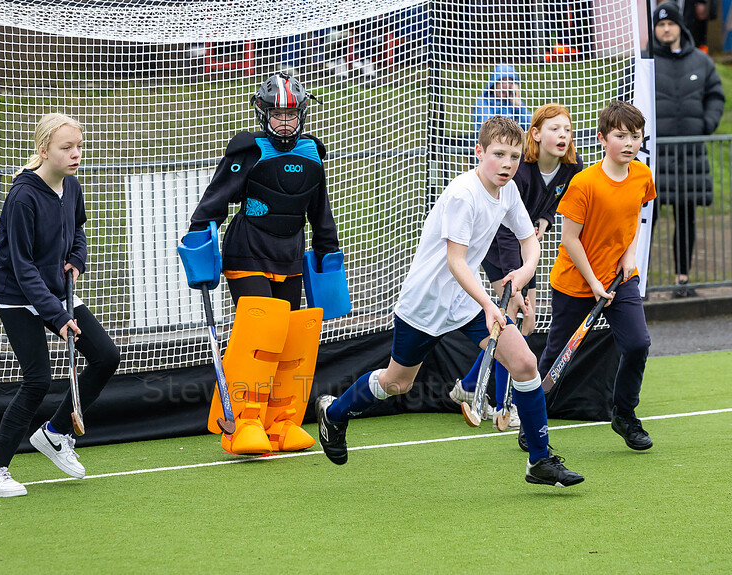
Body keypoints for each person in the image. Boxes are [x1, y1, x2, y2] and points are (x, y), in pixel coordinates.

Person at [315, 115, 584, 487]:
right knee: (398, 384)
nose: (507, 164)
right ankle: (335, 413)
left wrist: (521, 278)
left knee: (524, 363)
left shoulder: (508, 191)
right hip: (426, 302)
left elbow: (529, 241)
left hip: (466, 300)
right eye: (498, 154)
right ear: (479, 152)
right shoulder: (463, 195)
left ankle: (539, 461)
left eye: (515, 156)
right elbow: (456, 261)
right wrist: (492, 304)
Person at [187, 72, 342, 455]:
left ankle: (280, 422)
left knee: (290, 340)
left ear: (302, 115)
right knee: (260, 338)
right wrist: (199, 242)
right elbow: (213, 203)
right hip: (246, 251)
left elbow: (321, 216)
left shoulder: (311, 154)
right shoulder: (248, 152)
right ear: (263, 113)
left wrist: (328, 258)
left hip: (288, 256)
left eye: (291, 115)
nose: (284, 122)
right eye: (277, 115)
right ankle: (243, 423)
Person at [0, 113, 121, 497]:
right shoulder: (22, 197)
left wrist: (78, 259)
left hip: (56, 289)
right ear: (43, 151)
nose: (76, 155)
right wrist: (58, 318)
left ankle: (56, 433)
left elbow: (78, 231)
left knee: (106, 356)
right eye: (66, 148)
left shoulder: (71, 187)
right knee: (37, 380)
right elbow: (22, 268)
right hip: (17, 297)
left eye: (79, 147)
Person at [450, 103, 584, 430]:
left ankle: (468, 387)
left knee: (525, 324)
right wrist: (516, 282)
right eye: (554, 129)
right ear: (536, 134)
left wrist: (544, 219)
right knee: (511, 320)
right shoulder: (520, 169)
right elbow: (506, 229)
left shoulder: (572, 167)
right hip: (499, 247)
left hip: (526, 247)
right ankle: (503, 406)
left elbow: (554, 203)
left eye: (567, 129)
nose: (562, 135)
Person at [537, 100, 656, 452]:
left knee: (638, 344)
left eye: (635, 136)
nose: (630, 143)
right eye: (621, 136)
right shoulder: (584, 183)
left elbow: (631, 220)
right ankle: (534, 420)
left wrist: (629, 257)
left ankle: (624, 413)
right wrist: (593, 284)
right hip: (576, 283)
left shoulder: (641, 175)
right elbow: (569, 240)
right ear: (603, 139)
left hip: (621, 279)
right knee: (559, 356)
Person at [650, 2, 724, 298]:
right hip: (653, 159)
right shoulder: (645, 62)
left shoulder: (701, 62)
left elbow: (716, 95)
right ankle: (633, 284)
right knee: (644, 221)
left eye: (671, 24)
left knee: (686, 218)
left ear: (681, 26)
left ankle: (682, 281)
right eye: (660, 24)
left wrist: (705, 124)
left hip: (689, 157)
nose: (666, 29)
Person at [472, 63, 532, 138]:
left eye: (509, 81)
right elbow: (489, 128)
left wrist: (518, 105)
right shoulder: (482, 101)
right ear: (494, 82)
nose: (505, 85)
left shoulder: (513, 102)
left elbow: (530, 125)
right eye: (502, 80)